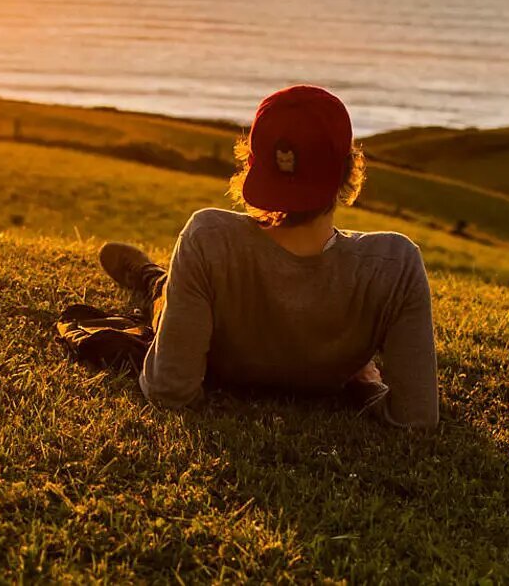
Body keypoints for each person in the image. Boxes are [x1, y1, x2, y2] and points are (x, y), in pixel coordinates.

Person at [98, 85, 439, 429]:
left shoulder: (210, 239)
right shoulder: (394, 265)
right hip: (332, 366)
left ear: (251, 162)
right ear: (348, 169)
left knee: (170, 294)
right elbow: (416, 417)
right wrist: (365, 383)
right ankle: (152, 279)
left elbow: (168, 391)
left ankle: (152, 279)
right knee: (176, 288)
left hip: (215, 320)